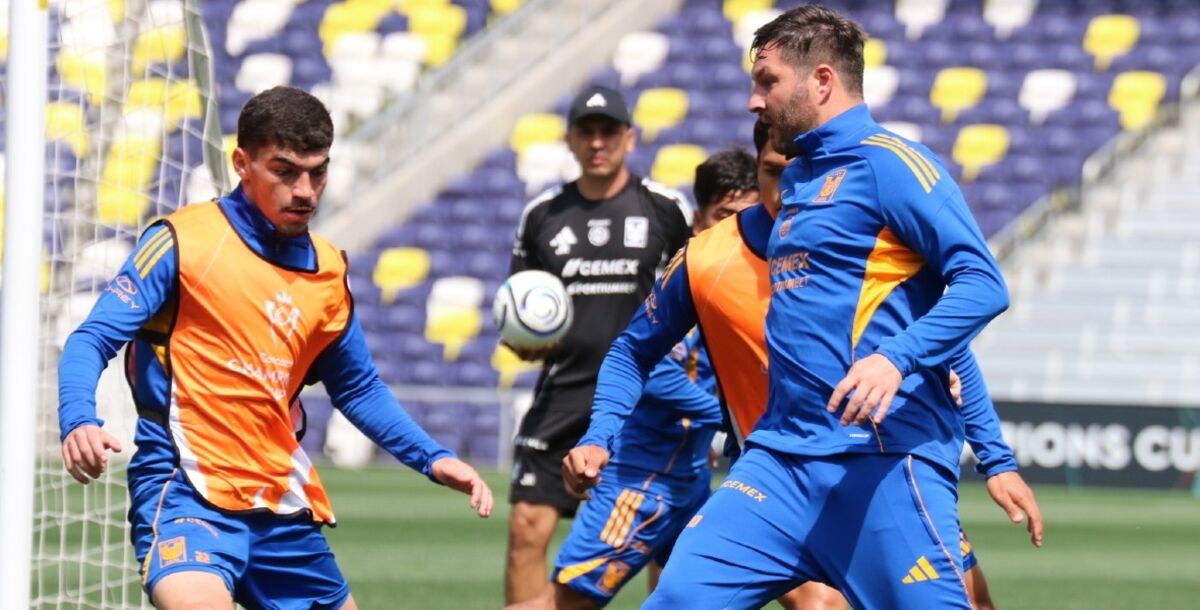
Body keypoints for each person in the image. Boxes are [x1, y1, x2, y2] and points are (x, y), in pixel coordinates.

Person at [630, 6, 1020, 607]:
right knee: (677, 599)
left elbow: (983, 283)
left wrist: (896, 360)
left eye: (767, 82)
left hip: (880, 462)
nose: (754, 102)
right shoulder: (802, 178)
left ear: (821, 82)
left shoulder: (892, 163)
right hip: (778, 463)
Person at [566, 119, 1040, 609]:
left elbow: (954, 349)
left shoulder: (856, 240)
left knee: (974, 600)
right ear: (757, 171)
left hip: (883, 470)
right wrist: (600, 435)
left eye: (796, 169)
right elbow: (631, 349)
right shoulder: (708, 260)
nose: (786, 184)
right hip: (776, 476)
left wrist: (996, 460)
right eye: (772, 171)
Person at [57, 86, 494, 610]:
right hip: (185, 491)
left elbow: (357, 387)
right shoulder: (183, 241)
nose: (306, 190)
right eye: (284, 171)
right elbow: (91, 338)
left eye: (318, 172)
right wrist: (78, 417)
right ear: (242, 163)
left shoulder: (329, 271)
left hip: (279, 503)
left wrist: (434, 457)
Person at [504, 148, 759, 610]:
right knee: (561, 606)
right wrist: (731, 417)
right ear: (698, 220)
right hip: (639, 487)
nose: (736, 228)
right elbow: (655, 370)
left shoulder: (754, 280)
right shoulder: (686, 282)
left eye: (747, 215)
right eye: (724, 215)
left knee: (811, 595)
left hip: (692, 482)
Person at [504, 84, 692, 603]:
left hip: (650, 393)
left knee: (666, 539)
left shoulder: (665, 209)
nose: (597, 142)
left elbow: (697, 300)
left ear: (629, 138)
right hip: (564, 389)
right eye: (586, 132)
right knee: (526, 526)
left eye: (608, 130)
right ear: (569, 140)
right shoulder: (543, 215)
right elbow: (516, 305)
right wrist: (524, 344)